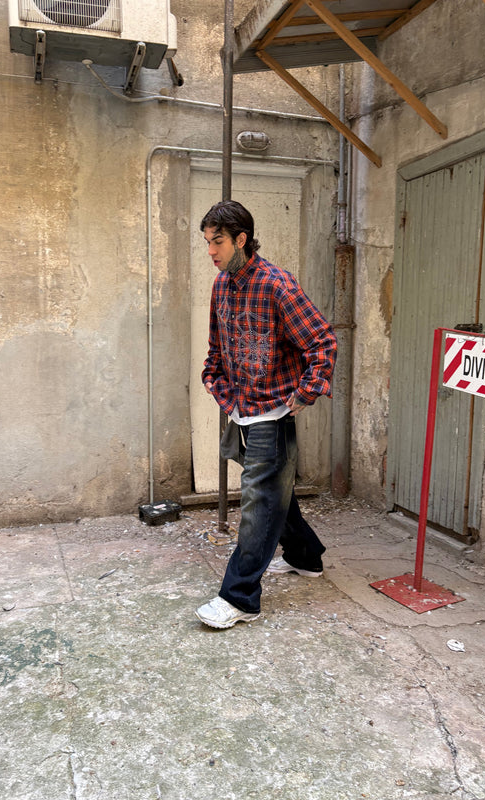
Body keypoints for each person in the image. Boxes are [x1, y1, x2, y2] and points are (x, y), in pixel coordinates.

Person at [195, 200, 337, 629]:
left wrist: (308, 391)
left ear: (241, 239)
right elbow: (216, 348)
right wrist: (216, 383)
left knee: (258, 506)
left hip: (271, 416)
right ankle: (306, 557)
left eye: (217, 242)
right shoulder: (222, 285)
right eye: (207, 243)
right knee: (276, 495)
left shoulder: (277, 285)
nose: (211, 252)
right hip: (239, 411)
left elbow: (322, 341)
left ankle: (239, 598)